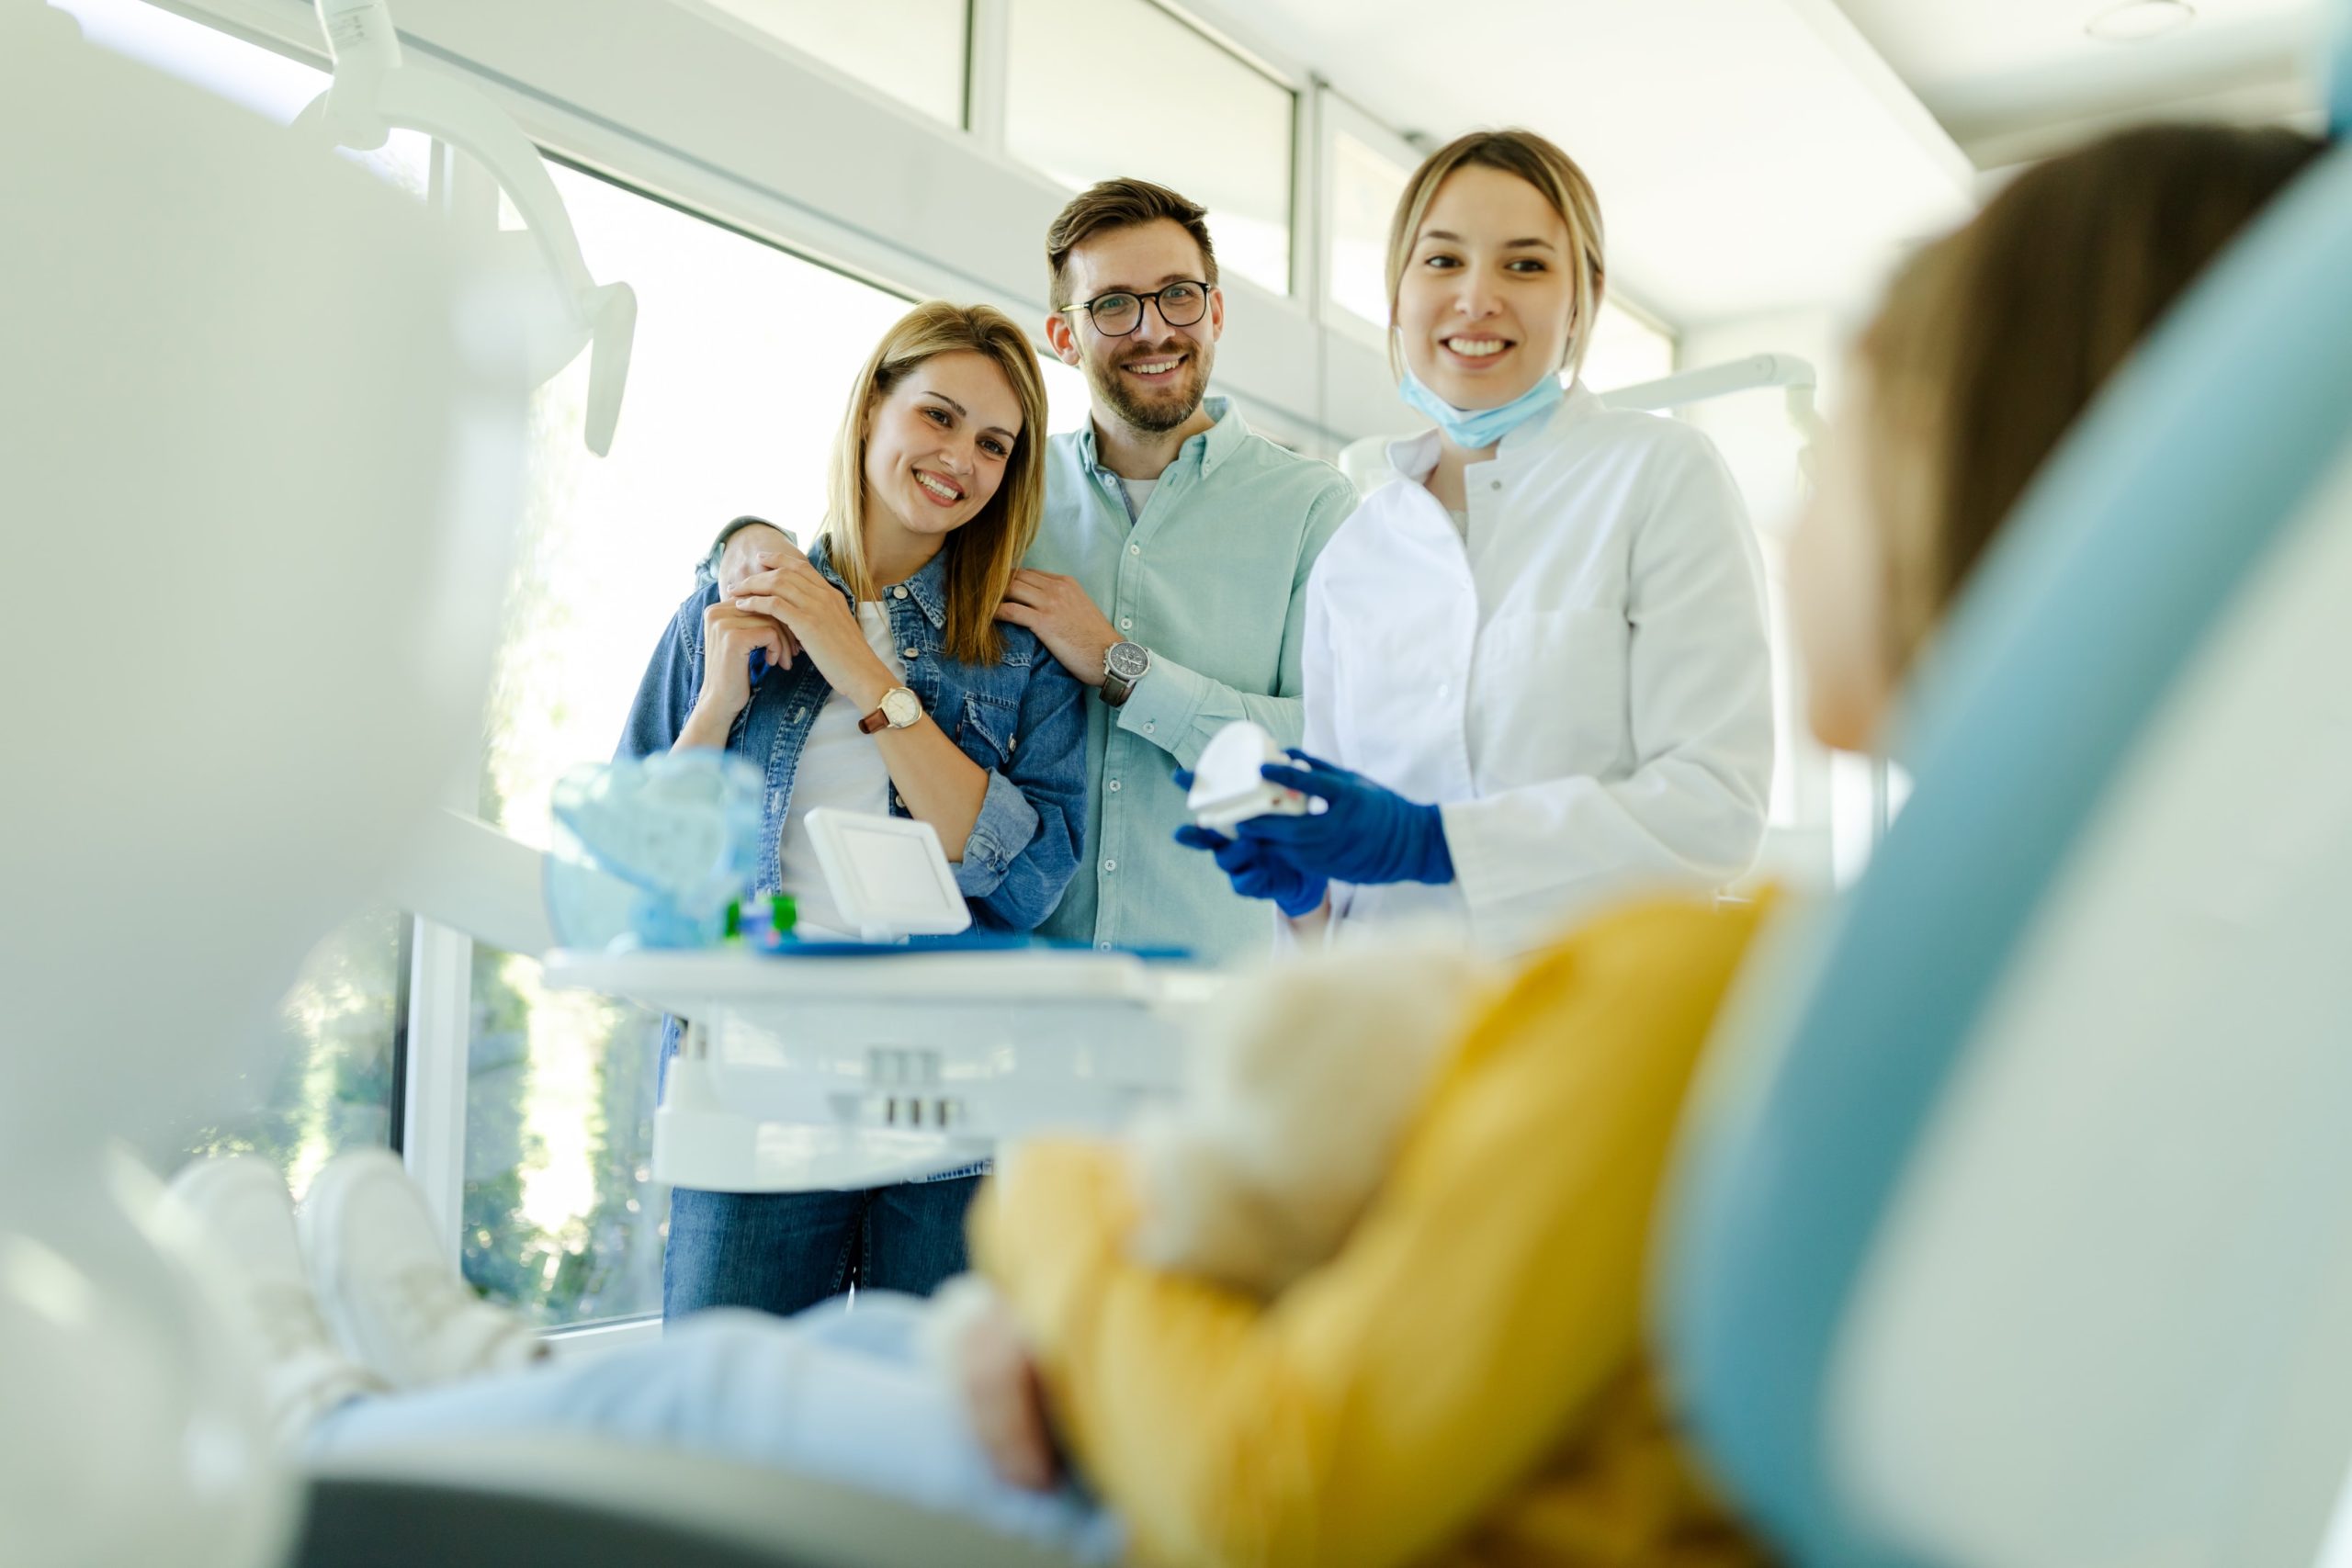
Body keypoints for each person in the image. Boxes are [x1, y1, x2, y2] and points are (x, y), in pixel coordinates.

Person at [176, 120, 2322, 1568]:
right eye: (1437, 262)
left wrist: (1084, 1238)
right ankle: (427, 1369)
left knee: (786, 1374)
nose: (1798, 497)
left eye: (1857, 422)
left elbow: (1302, 1451)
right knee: (771, 1356)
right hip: (1373, 1132)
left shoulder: (1708, 922)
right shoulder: (2051, 1020)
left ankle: (304, 1409)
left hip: (1258, 1346)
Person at [1179, 130, 1776, 955]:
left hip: (1582, 1026)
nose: (1476, 297)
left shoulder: (1658, 475)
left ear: (1584, 297)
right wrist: (1305, 890)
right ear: (1396, 293)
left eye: (1525, 265)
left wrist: (1436, 842)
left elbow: (1714, 810)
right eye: (1442, 261)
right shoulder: (1358, 552)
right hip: (1387, 1035)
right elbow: (1342, 898)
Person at [616, 299, 1089, 1323]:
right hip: (753, 1094)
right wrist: (718, 698)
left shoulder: (1020, 649)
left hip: (951, 1105)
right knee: (727, 1434)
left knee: (926, 1445)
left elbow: (1031, 878)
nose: (961, 457)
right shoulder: (727, 605)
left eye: (994, 444)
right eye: (939, 416)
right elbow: (640, 862)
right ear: (873, 406)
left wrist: (859, 665)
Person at [999, 178, 1362, 964]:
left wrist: (1120, 666)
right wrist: (743, 540)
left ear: (1216, 312)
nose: (1154, 330)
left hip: (1221, 1007)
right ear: (1064, 336)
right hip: (1025, 994)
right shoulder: (1008, 495)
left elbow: (1325, 751)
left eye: (1177, 296)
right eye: (1114, 305)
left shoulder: (1314, 507)